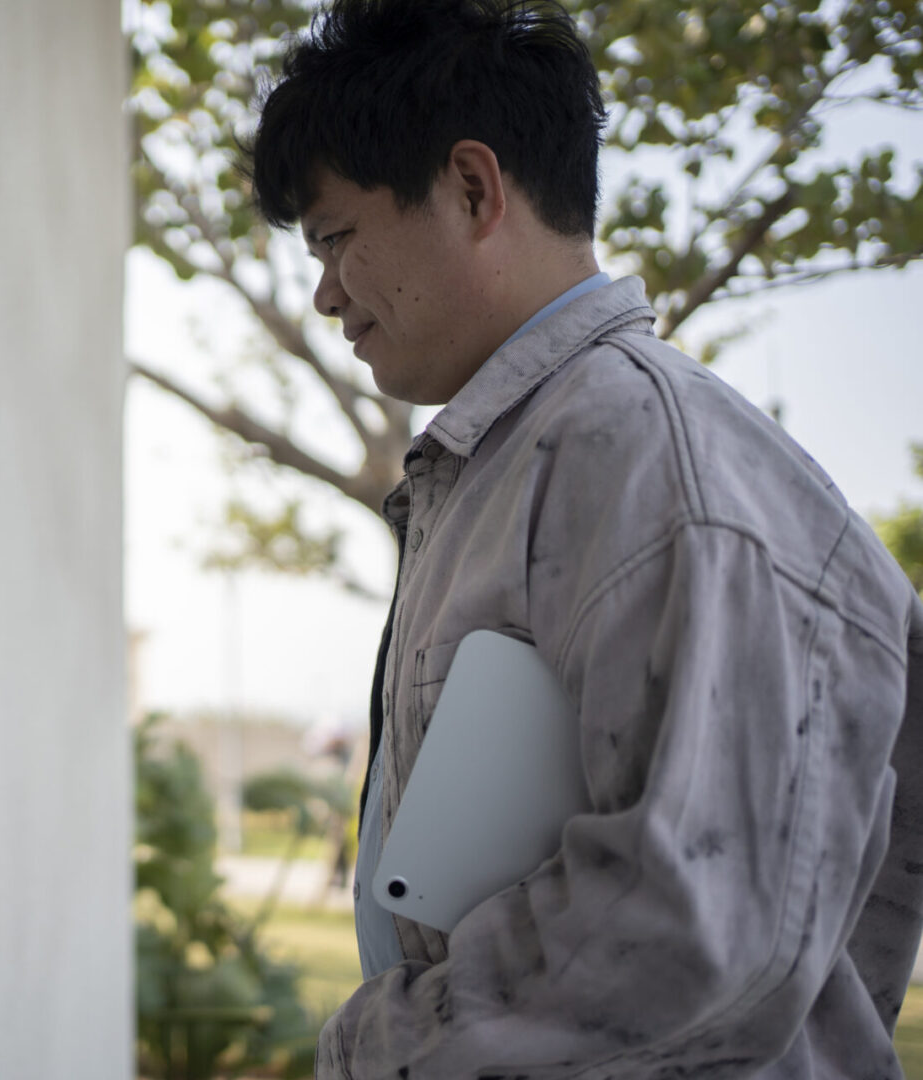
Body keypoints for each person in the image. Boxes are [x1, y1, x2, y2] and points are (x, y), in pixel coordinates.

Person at [246, 0, 923, 1074]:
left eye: (334, 238)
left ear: (473, 187)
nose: (324, 292)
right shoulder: (510, 462)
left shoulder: (659, 461)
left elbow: (693, 933)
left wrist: (371, 1051)